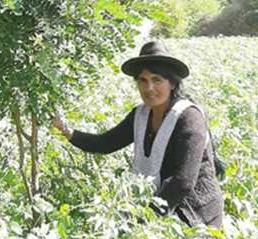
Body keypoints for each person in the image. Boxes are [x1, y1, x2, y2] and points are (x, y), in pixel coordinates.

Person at [51, 41, 224, 229]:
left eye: (157, 80)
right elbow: (105, 143)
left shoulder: (189, 117)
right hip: (158, 206)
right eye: (143, 80)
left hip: (195, 212)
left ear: (172, 83)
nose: (149, 88)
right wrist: (65, 130)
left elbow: (183, 181)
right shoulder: (141, 115)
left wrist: (144, 218)